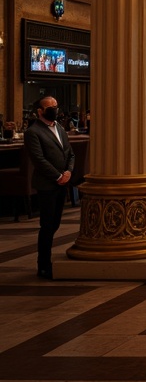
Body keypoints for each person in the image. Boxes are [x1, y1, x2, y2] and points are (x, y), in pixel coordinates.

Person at [24, 96, 74, 279]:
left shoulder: (59, 128)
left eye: (56, 106)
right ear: (40, 111)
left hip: (62, 182)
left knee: (56, 223)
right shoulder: (33, 132)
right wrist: (58, 176)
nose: (54, 109)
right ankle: (43, 264)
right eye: (50, 107)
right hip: (47, 184)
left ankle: (46, 262)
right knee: (47, 225)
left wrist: (68, 172)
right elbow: (39, 159)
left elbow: (69, 153)